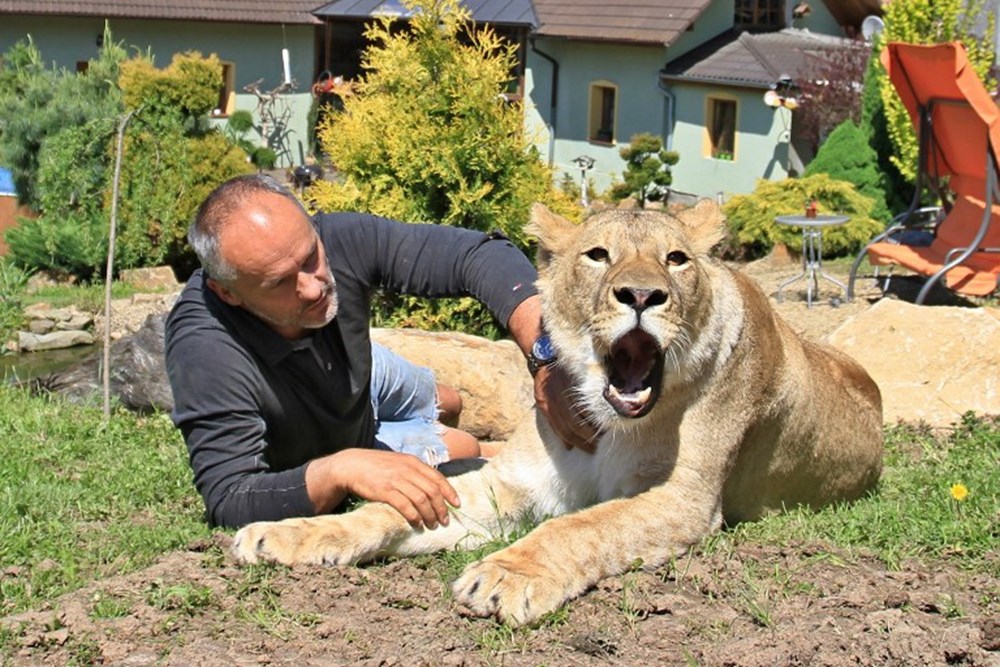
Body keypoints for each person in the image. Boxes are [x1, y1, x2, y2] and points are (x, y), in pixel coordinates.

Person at [165, 174, 595, 530]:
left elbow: (475, 256)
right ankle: (477, 450)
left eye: (310, 256)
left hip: (360, 372)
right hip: (335, 441)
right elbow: (230, 496)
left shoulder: (335, 238)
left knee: (452, 401)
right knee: (463, 450)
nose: (313, 286)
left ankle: (425, 412)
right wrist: (343, 469)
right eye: (280, 282)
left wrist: (547, 357)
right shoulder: (205, 348)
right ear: (228, 292)